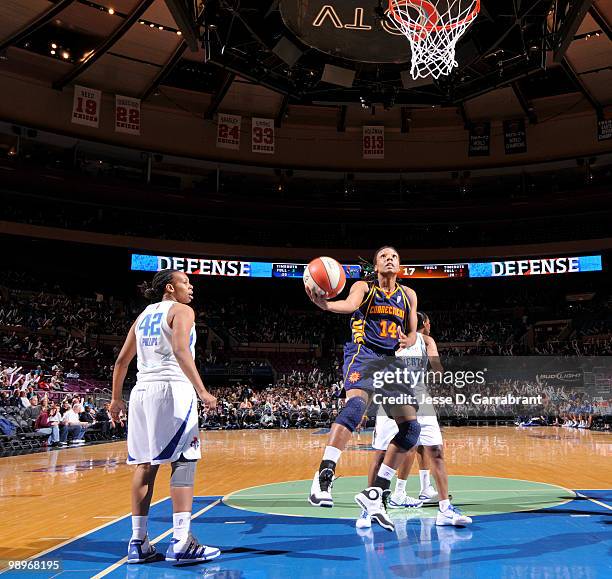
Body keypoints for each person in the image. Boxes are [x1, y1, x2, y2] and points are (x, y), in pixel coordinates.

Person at [110, 269, 220, 565]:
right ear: (170, 288)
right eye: (186, 281)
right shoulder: (182, 310)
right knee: (183, 460)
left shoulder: (143, 315)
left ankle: (138, 542)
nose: (191, 286)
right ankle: (182, 541)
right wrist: (203, 391)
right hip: (172, 389)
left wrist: (116, 399)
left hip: (141, 392)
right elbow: (181, 350)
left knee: (145, 466)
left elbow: (121, 361)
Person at [307, 246, 420, 531]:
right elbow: (348, 304)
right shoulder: (364, 288)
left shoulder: (408, 295)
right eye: (384, 256)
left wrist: (409, 336)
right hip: (364, 353)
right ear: (375, 265)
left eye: (394, 255)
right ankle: (324, 474)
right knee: (356, 407)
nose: (390, 258)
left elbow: (413, 323)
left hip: (391, 361)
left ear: (400, 264)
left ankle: (376, 492)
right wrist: (328, 306)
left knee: (411, 429)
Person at [363, 313, 472, 528]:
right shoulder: (390, 340)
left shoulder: (426, 341)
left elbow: (436, 364)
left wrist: (439, 371)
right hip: (393, 395)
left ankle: (444, 509)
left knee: (436, 451)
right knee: (380, 455)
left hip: (421, 399)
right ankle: (369, 510)